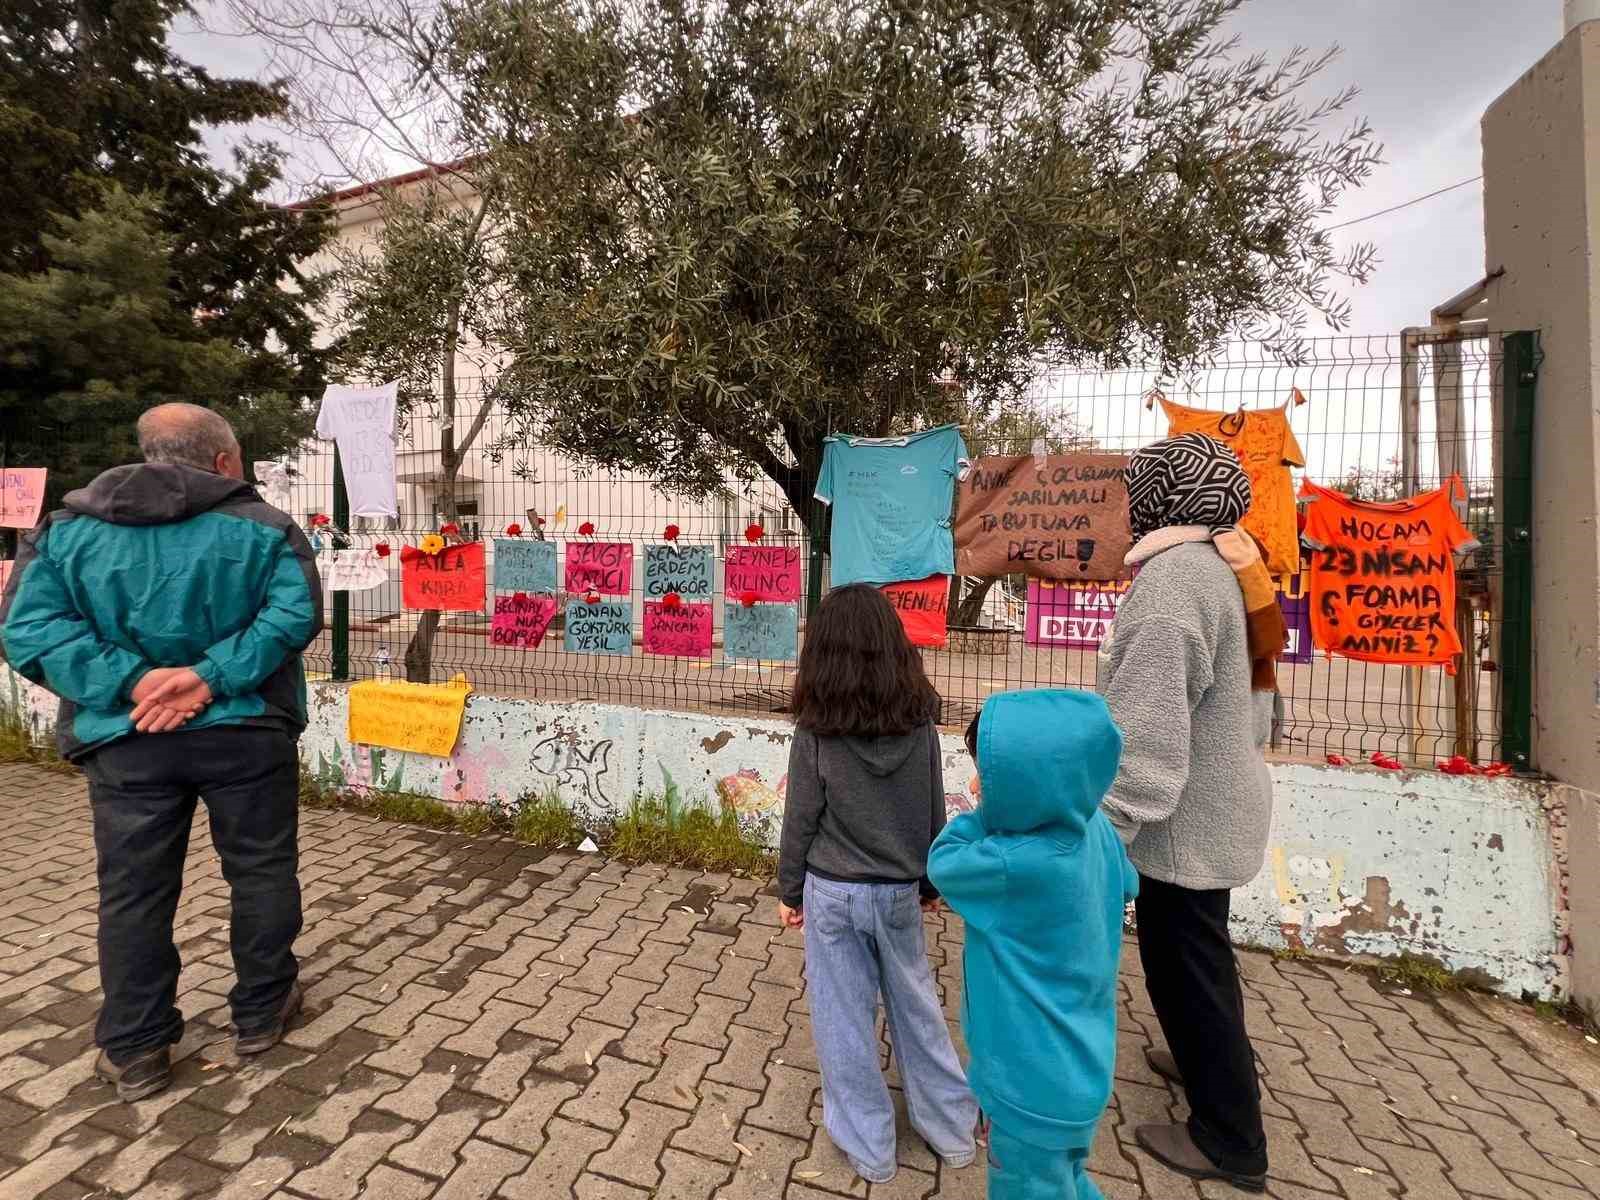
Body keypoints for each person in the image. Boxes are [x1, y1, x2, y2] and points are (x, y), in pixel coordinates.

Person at [0, 404, 322, 1102]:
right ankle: (263, 1010)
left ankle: (137, 1046)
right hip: (247, 730)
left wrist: (131, 683)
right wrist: (211, 676)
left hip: (126, 740)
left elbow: (28, 630)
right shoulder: (265, 528)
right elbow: (294, 614)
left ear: (149, 454)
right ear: (225, 461)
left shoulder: (64, 531)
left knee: (134, 892)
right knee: (262, 871)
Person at [1098, 431, 1280, 1192]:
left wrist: (1106, 834)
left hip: (1184, 822)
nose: (1128, 507)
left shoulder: (1173, 588)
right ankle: (1200, 1051)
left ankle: (1229, 1138)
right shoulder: (1227, 565)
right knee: (1200, 952)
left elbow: (1146, 736)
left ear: (1159, 499)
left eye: (1136, 493)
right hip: (1221, 797)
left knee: (1186, 964)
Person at [777, 583, 978, 1185]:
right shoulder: (919, 724)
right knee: (917, 1010)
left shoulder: (816, 730)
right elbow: (929, 809)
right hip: (897, 893)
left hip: (832, 892)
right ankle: (953, 1132)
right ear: (894, 646)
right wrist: (929, 880)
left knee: (843, 1018)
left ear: (825, 654)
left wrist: (790, 893)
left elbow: (801, 819)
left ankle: (870, 1149)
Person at [928, 690, 1138, 1200]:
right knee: (1066, 1181)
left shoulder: (1011, 863)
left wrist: (985, 814)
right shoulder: (1096, 828)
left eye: (991, 778)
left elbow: (942, 861)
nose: (979, 785)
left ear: (1029, 787)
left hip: (1026, 1091)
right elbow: (1128, 884)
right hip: (1080, 1070)